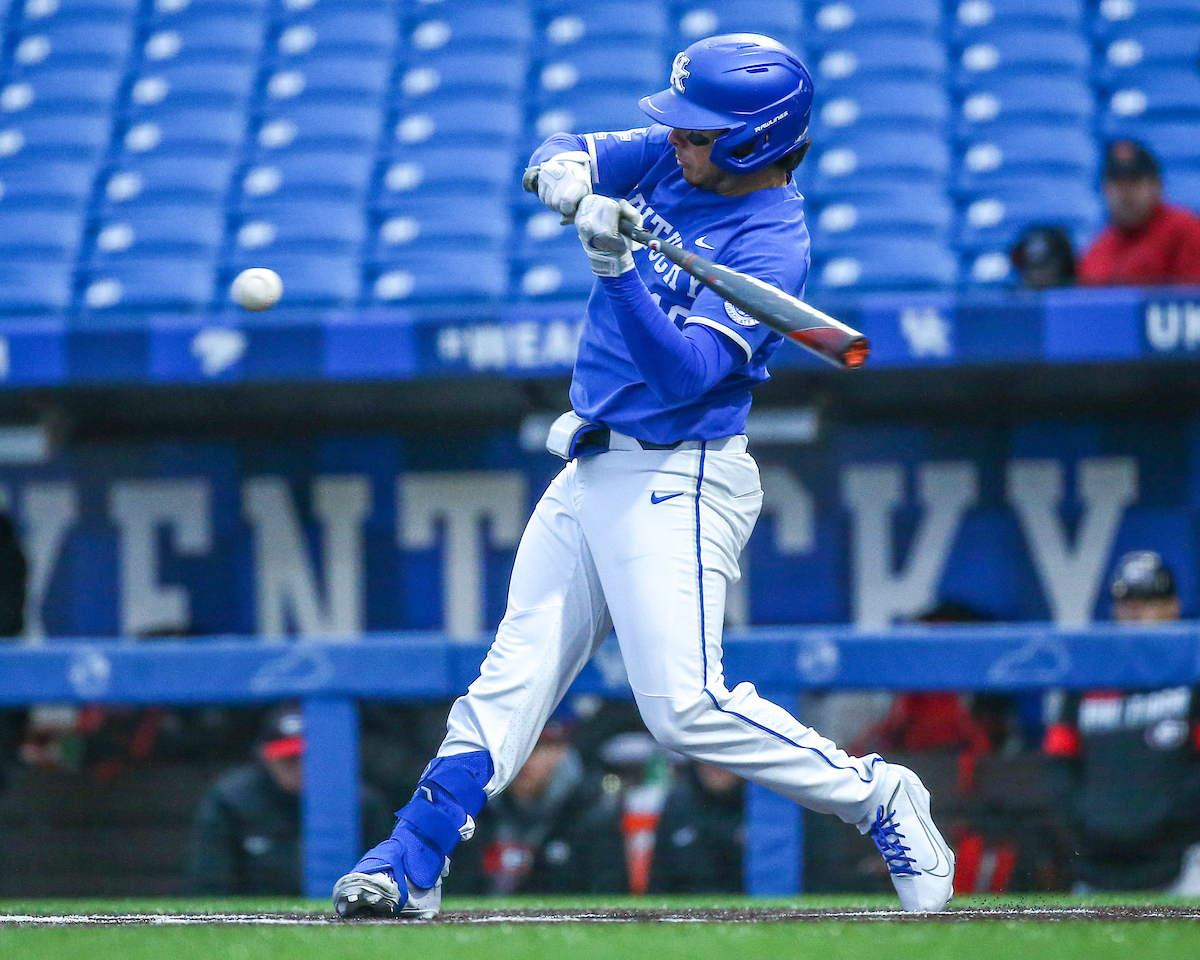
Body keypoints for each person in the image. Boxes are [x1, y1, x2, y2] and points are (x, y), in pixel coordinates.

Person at [333, 33, 954, 919]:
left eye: (698, 134)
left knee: (684, 711)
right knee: (509, 682)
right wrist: (560, 176)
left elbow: (688, 376)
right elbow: (569, 149)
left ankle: (877, 796)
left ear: (750, 144)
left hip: (681, 475)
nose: (677, 142)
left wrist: (617, 268)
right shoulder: (671, 162)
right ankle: (412, 857)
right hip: (589, 464)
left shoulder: (773, 245)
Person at [1044, 551, 1200, 892]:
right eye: (1127, 601)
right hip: (1095, 861)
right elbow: (1059, 764)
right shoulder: (1089, 679)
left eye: (1149, 600)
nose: (1136, 611)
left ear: (1172, 606)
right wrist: (1089, 822)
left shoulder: (1193, 676)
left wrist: (1171, 821)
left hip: (1182, 860)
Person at [187, 705, 391, 895]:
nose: (299, 769)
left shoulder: (362, 803)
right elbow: (209, 883)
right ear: (266, 758)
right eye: (287, 760)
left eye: (305, 758)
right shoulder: (232, 801)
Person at [448, 720, 628, 896]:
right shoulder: (475, 814)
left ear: (560, 752)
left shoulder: (587, 814)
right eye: (511, 751)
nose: (522, 762)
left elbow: (607, 897)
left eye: (534, 750)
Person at [1079, 140, 1200, 286]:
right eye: (1116, 183)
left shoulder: (1184, 231)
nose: (1125, 193)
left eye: (1135, 182)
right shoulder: (1097, 250)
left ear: (1157, 186)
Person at [648, 761, 744, 894]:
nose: (715, 767)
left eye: (724, 761)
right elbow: (659, 875)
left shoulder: (762, 807)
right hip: (684, 907)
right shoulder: (679, 802)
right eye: (706, 760)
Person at [1009, 225, 1076, 290]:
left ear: (1060, 265)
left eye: (1040, 266)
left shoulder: (1078, 293)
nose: (1034, 274)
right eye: (1029, 267)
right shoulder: (1013, 294)